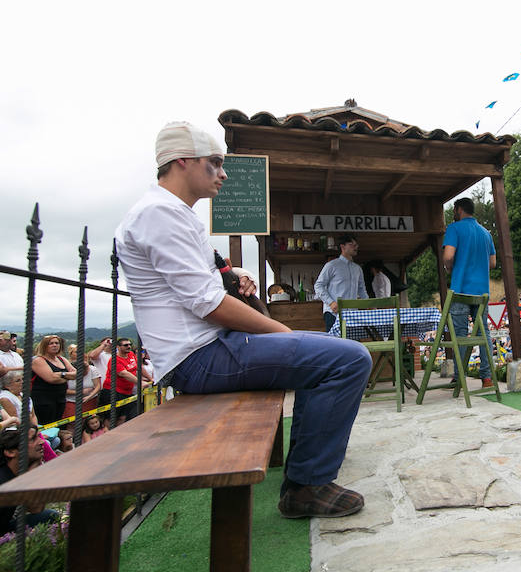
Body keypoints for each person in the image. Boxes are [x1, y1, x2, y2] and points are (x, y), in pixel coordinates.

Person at [114, 121, 371, 519]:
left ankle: (307, 476)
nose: (223, 173)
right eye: (214, 163)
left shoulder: (167, 213)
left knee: (328, 356)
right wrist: (284, 332)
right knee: (350, 359)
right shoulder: (160, 214)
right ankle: (307, 485)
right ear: (182, 161)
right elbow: (209, 304)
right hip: (199, 357)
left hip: (205, 350)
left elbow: (197, 285)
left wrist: (232, 275)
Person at [442, 197, 497, 388]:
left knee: (459, 334)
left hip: (461, 289)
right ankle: (487, 378)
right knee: (484, 334)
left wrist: (450, 268)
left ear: (458, 210)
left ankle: (459, 378)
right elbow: (492, 263)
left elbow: (448, 256)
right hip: (481, 292)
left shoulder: (454, 229)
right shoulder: (486, 233)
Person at [0, 426, 58, 531]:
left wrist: (35, 466)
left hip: (5, 526)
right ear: (11, 452)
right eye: (33, 439)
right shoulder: (3, 480)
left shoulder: (16, 473)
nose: (42, 442)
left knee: (49, 515)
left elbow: (36, 508)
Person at [314, 234, 368, 330]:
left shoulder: (357, 269)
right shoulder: (331, 265)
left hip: (352, 314)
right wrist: (331, 303)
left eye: (356, 245)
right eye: (352, 244)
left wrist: (369, 305)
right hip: (333, 313)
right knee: (334, 344)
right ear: (342, 247)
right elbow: (319, 285)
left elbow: (362, 290)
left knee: (353, 344)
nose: (356, 247)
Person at [98, 338, 150, 425]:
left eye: (130, 344)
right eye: (126, 345)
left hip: (126, 392)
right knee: (110, 417)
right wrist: (140, 382)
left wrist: (149, 378)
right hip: (113, 391)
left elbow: (138, 367)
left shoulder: (131, 354)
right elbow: (123, 373)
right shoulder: (114, 360)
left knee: (123, 417)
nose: (129, 346)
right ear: (118, 347)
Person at [30, 335, 76, 425]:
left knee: (57, 425)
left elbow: (76, 374)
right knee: (46, 425)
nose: (55, 345)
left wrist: (60, 375)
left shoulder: (61, 359)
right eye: (51, 343)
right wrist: (67, 377)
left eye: (57, 343)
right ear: (44, 345)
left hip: (60, 399)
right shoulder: (38, 360)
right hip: (43, 401)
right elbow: (51, 378)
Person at [63, 344, 102, 419]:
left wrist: (89, 396)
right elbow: (63, 390)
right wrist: (80, 391)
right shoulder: (66, 371)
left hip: (90, 400)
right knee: (72, 422)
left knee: (90, 421)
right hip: (72, 401)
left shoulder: (92, 369)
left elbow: (98, 386)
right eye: (77, 352)